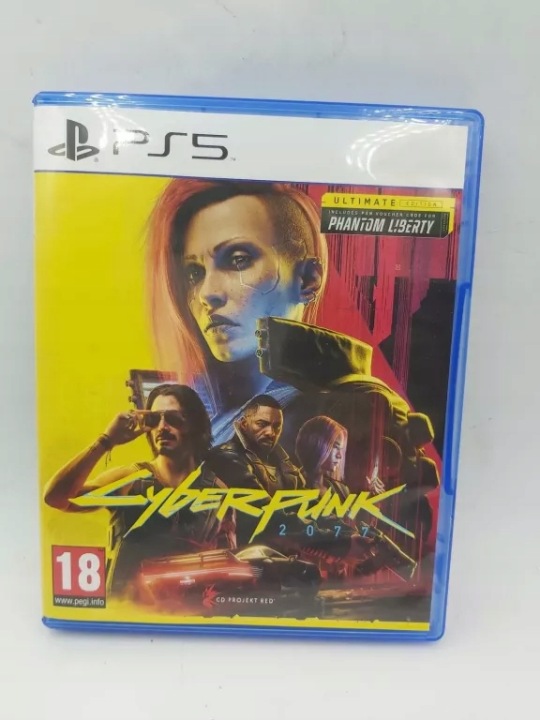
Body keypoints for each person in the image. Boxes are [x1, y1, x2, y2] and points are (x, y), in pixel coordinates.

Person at [146, 179, 328, 445]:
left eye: (238, 260)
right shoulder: (197, 411)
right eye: (194, 273)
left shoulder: (332, 413)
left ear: (307, 279)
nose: (207, 293)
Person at [43, 384, 235, 596]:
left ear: (194, 425)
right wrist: (106, 441)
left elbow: (226, 564)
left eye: (173, 419)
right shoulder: (129, 480)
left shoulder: (217, 491)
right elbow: (56, 498)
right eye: (154, 419)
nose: (162, 427)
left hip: (185, 608)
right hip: (126, 605)